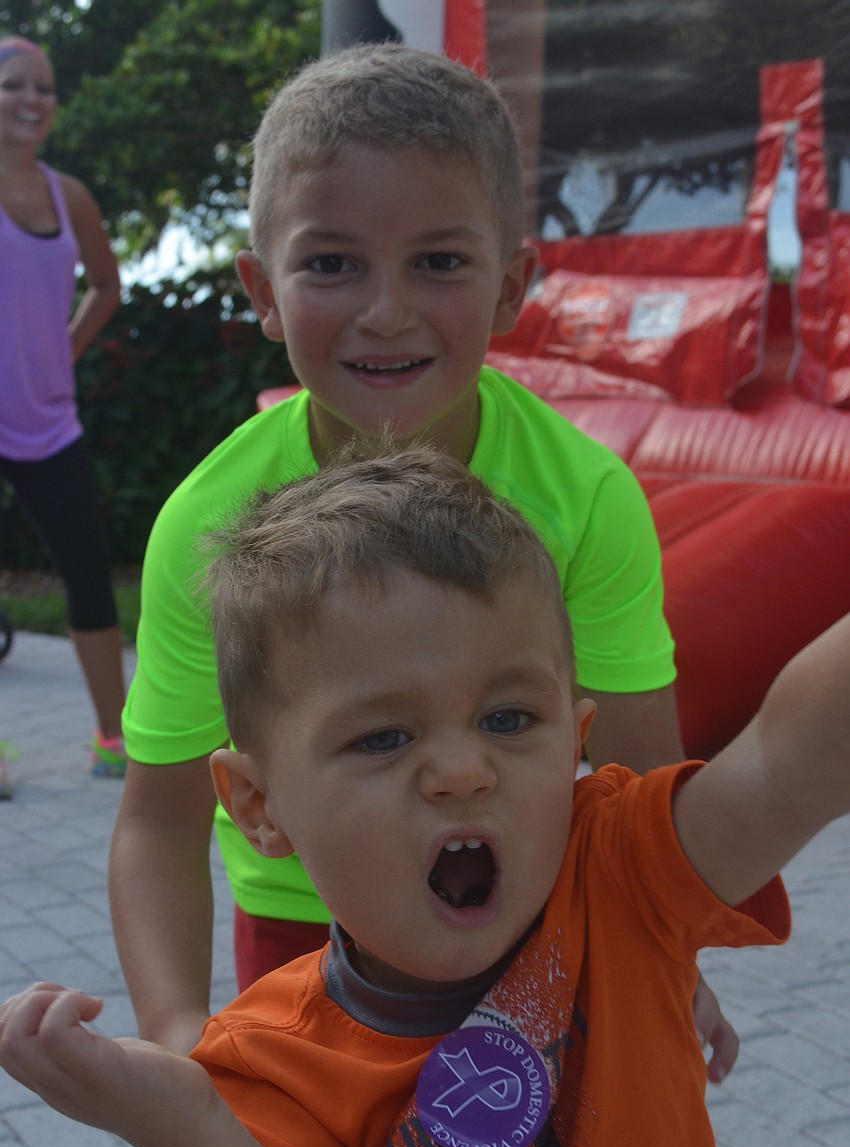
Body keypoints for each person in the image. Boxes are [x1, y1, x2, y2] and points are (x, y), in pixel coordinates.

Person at [1, 445, 847, 1147]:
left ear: (576, 743)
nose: (463, 770)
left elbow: (787, 760)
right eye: (384, 736)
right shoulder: (264, 1075)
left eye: (510, 719)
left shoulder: (619, 874)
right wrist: (186, 1132)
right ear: (259, 806)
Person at [109, 41, 736, 1076]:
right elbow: (160, 822)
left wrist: (670, 956)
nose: (385, 309)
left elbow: (639, 786)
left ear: (510, 286)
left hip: (522, 922)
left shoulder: (584, 499)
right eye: (331, 262)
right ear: (262, 291)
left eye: (438, 261)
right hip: (300, 940)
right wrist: (177, 1045)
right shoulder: (205, 525)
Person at [0, 35, 126, 778]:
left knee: (86, 572)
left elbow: (107, 286)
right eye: (14, 85)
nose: (31, 100)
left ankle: (113, 740)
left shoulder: (66, 194)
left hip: (48, 420)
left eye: (43, 87)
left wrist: (64, 349)